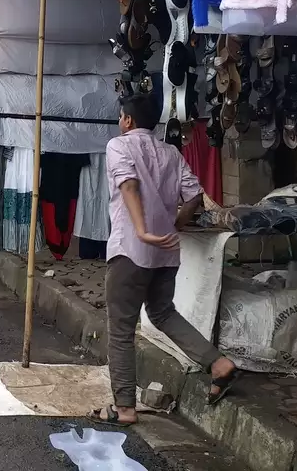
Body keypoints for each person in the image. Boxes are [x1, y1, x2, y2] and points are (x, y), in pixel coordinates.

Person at [88, 94, 239, 427]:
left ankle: (124, 408)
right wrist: (174, 226)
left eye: (120, 116)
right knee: (162, 312)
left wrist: (143, 231)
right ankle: (219, 364)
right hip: (167, 251)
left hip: (130, 250)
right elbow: (194, 195)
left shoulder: (118, 145)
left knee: (121, 329)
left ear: (127, 120)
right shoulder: (171, 152)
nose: (119, 121)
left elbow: (128, 185)